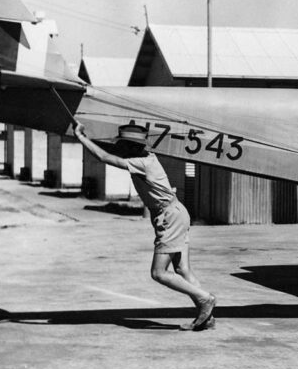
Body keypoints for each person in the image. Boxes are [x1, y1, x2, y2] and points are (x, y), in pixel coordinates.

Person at [73, 122, 216, 331]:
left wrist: (80, 137)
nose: (119, 147)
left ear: (131, 146)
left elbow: (105, 157)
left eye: (122, 144)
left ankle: (205, 298)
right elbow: (111, 152)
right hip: (176, 212)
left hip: (169, 217)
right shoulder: (146, 157)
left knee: (159, 273)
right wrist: (90, 136)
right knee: (182, 269)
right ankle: (206, 316)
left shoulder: (142, 163)